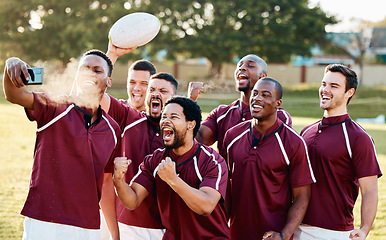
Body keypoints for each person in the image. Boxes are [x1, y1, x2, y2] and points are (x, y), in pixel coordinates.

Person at [3, 50, 121, 240]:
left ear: (109, 81)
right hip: (45, 221)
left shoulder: (113, 130)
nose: (90, 73)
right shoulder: (54, 107)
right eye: (85, 68)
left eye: (97, 70)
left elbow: (107, 184)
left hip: (88, 226)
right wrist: (12, 63)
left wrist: (114, 235)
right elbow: (13, 95)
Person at [114, 96, 230, 239]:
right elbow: (133, 201)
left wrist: (173, 180)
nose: (166, 121)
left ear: (190, 124)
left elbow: (206, 206)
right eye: (164, 116)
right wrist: (118, 181)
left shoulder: (212, 161)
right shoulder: (155, 160)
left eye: (174, 117)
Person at [98, 44, 178, 239]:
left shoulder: (181, 129)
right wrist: (112, 55)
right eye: (152, 89)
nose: (155, 93)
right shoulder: (130, 118)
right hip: (130, 224)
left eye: (163, 91)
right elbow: (95, 95)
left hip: (170, 225)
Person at [295, 64, 382, 240]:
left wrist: (364, 229)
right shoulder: (306, 131)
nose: (325, 90)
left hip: (333, 233)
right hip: (296, 228)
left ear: (349, 92)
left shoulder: (358, 138)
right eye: (324, 84)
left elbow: (370, 190)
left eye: (333, 86)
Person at [222, 77, 315, 240]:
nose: (257, 98)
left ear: (278, 104)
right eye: (255, 93)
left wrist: (283, 235)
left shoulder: (294, 143)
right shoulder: (232, 136)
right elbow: (225, 188)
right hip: (236, 234)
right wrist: (222, 227)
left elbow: (302, 196)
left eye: (265, 95)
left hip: (273, 235)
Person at [196, 54, 292, 153]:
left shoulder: (279, 116)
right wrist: (190, 103)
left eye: (250, 66)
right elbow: (199, 140)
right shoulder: (221, 113)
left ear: (262, 76)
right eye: (239, 65)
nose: (242, 68)